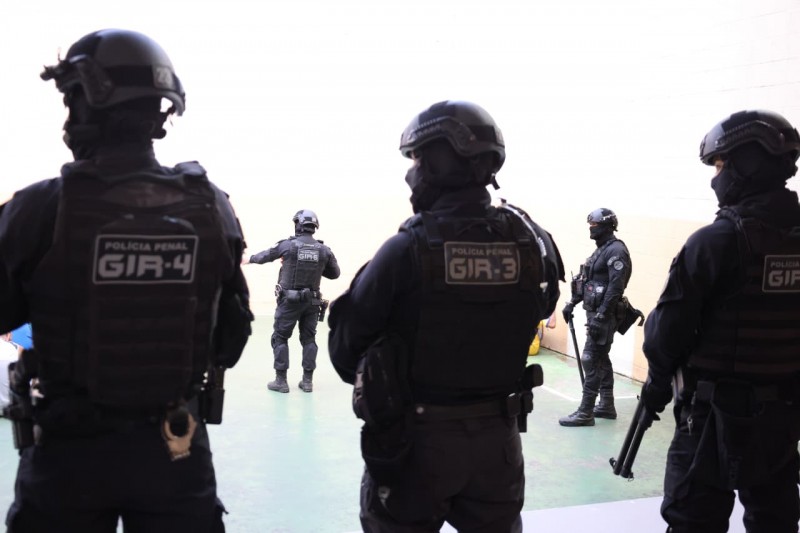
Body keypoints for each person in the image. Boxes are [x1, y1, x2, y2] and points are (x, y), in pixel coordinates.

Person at [0, 29, 253, 533]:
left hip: (68, 456)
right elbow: (231, 338)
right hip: (175, 449)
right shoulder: (212, 206)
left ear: (86, 103)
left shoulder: (38, 208)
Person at [328, 100, 564, 532]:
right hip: (499, 444)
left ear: (442, 161)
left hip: (418, 445)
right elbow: (542, 307)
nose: (411, 172)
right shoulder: (531, 244)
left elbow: (346, 351)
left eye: (417, 159)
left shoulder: (406, 250)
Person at [640, 109, 800, 533]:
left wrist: (658, 382)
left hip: (713, 420)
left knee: (694, 521)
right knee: (776, 520)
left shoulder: (717, 242)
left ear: (747, 163)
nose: (717, 176)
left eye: (721, 164)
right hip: (783, 419)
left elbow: (665, 336)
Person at [244, 210, 340, 393]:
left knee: (280, 338)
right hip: (312, 303)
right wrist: (317, 266)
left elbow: (265, 256)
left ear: (298, 224)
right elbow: (335, 274)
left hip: (289, 302)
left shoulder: (287, 246)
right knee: (309, 339)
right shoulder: (324, 250)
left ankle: (281, 381)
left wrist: (248, 259)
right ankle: (307, 382)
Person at [559, 208, 632, 426]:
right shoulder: (601, 250)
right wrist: (572, 303)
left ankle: (585, 412)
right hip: (595, 313)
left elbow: (615, 288)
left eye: (595, 225)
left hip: (605, 316)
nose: (591, 228)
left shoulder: (617, 251)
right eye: (590, 225)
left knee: (591, 358)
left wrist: (601, 316)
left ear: (608, 227)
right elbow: (587, 281)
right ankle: (606, 405)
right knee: (601, 357)